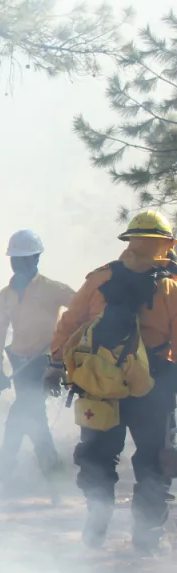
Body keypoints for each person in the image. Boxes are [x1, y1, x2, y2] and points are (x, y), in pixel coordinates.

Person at [49, 210, 177, 555]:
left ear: (129, 243)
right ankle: (146, 537)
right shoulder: (171, 285)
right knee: (153, 459)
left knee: (97, 454)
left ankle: (97, 516)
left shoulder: (100, 278)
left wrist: (56, 362)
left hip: (99, 382)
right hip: (153, 385)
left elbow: (70, 322)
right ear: (167, 243)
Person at [0, 229, 76, 483]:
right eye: (15, 259)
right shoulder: (5, 296)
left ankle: (1, 471)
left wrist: (64, 340)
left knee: (24, 411)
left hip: (44, 363)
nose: (19, 265)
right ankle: (53, 473)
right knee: (32, 414)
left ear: (36, 259)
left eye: (25, 259)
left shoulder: (53, 289)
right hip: (18, 361)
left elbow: (84, 310)